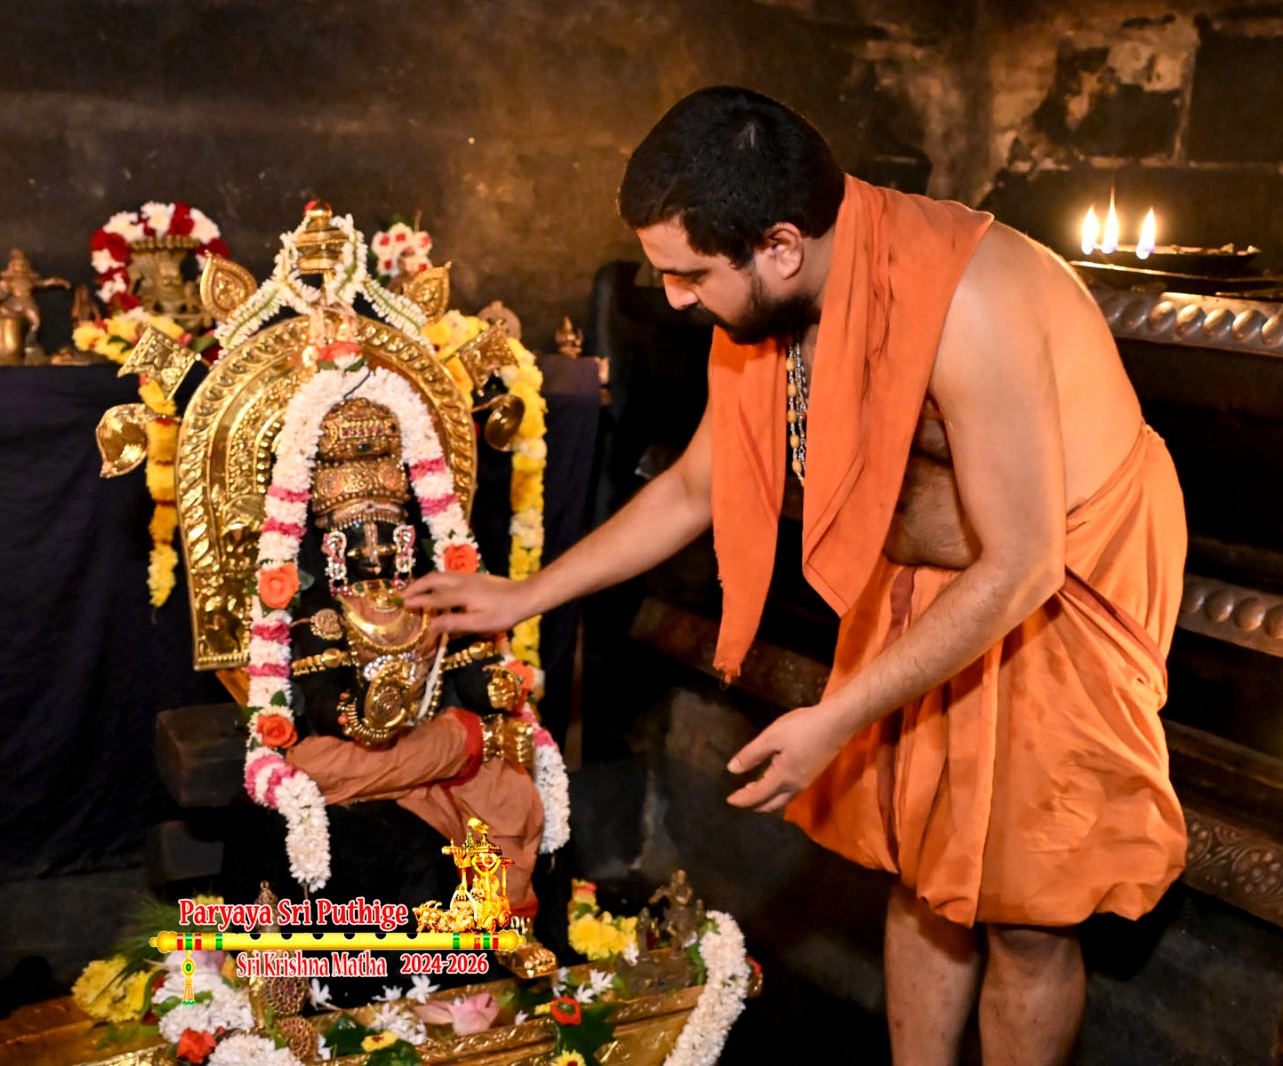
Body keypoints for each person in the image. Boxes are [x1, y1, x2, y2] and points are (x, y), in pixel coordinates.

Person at [403, 86, 1188, 1066]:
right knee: (922, 877)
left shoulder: (969, 300)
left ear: (778, 246)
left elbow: (1023, 562)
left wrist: (836, 715)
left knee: (1027, 915)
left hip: (1053, 585)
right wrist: (526, 594)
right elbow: (695, 486)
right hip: (928, 579)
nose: (675, 298)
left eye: (690, 274)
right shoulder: (777, 298)